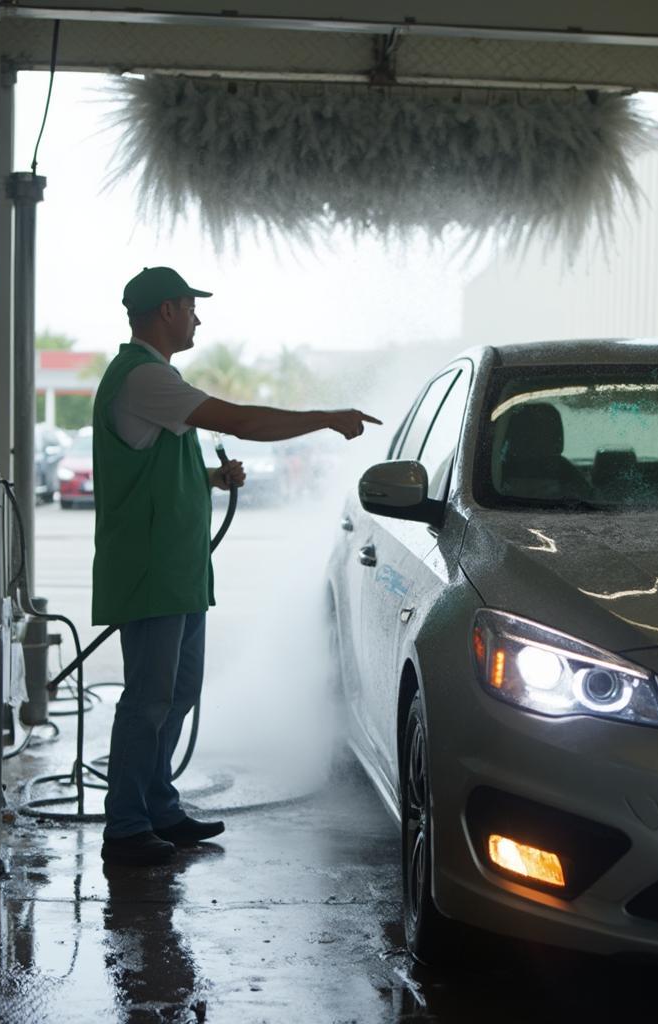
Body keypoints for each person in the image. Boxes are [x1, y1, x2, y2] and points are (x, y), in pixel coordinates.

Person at [95, 266, 381, 866]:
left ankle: (158, 806)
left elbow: (148, 471)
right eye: (191, 307)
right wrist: (326, 418)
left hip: (176, 569)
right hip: (150, 570)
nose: (199, 318)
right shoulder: (142, 377)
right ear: (167, 310)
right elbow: (242, 420)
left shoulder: (156, 377)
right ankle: (125, 826)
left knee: (177, 693)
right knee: (148, 699)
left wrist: (207, 477)